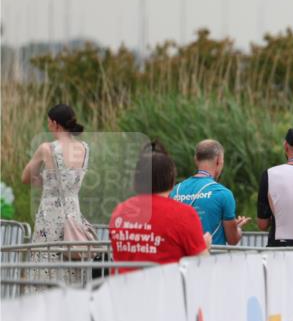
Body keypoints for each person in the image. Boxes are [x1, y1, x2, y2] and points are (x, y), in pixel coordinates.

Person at [20, 104, 94, 281]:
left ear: (55, 123)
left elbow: (26, 178)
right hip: (73, 215)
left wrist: (44, 179)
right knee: (71, 261)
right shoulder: (85, 148)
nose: (48, 126)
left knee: (45, 263)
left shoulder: (47, 148)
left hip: (50, 216)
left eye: (49, 123)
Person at [110, 142, 211, 270]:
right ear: (171, 177)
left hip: (123, 282)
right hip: (167, 283)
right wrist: (203, 246)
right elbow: (203, 265)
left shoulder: (120, 211)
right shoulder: (184, 214)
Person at [170, 139, 249, 246]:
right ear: (218, 160)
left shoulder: (175, 190)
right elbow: (232, 240)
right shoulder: (223, 194)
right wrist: (237, 228)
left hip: (182, 255)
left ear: (196, 160)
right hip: (212, 255)